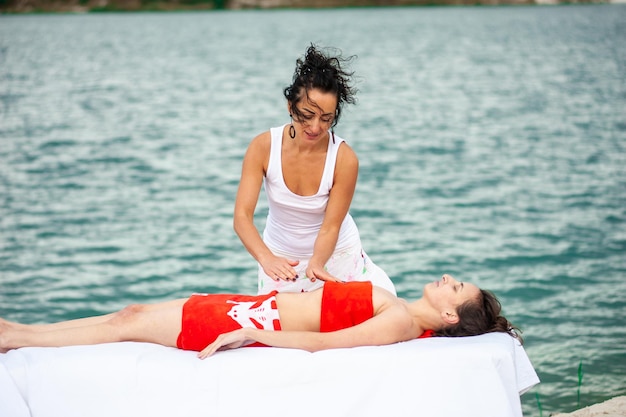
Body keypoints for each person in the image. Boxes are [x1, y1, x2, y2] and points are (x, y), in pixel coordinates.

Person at [0, 274, 521, 359]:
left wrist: (248, 334)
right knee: (132, 313)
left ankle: (16, 340)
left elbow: (325, 344)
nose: (448, 278)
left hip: (254, 320)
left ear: (451, 313)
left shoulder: (401, 323)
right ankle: (18, 332)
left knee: (128, 326)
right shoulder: (401, 305)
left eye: (456, 286)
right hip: (252, 307)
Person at [234, 44, 396, 295]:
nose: (315, 127)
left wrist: (318, 262)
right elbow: (242, 217)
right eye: (307, 114)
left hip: (336, 258)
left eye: (326, 119)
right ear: (290, 106)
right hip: (278, 261)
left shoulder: (344, 159)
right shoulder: (263, 147)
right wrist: (266, 259)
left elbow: (331, 227)